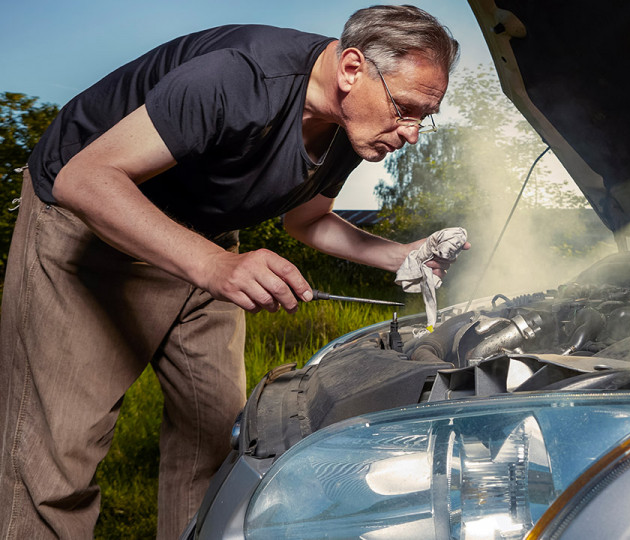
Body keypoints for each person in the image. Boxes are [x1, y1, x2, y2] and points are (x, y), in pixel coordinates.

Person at [0, 5, 464, 539]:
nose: (411, 133)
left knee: (220, 442)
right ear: (352, 69)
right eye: (405, 109)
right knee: (58, 458)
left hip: (209, 245)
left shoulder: (351, 123)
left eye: (423, 117)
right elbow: (84, 180)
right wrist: (215, 265)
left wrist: (401, 253)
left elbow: (308, 219)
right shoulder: (237, 77)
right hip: (96, 225)